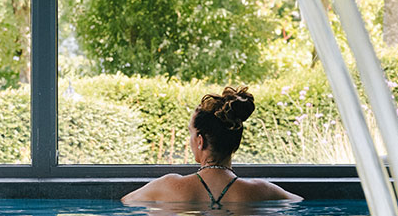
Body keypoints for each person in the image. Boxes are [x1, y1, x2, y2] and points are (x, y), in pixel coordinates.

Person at [121, 85, 302, 206]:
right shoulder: (261, 191)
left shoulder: (167, 187)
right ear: (235, 143)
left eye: (191, 134)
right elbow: (299, 203)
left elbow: (125, 203)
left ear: (200, 141)